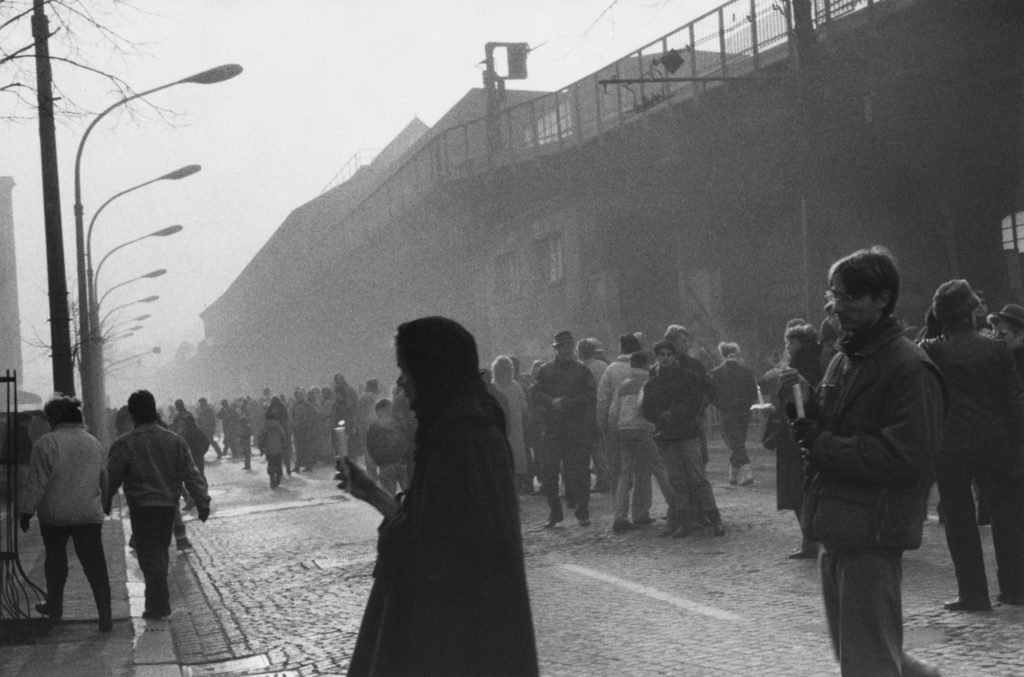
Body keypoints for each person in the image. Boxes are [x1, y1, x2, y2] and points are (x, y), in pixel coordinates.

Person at [339, 316, 538, 676]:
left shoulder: (464, 440)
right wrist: (371, 492)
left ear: (432, 370)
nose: (401, 383)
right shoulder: (450, 433)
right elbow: (424, 526)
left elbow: (435, 556)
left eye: (406, 369)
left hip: (455, 642)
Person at [781, 246, 944, 676]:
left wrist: (820, 442)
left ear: (882, 299)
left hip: (871, 535)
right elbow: (832, 426)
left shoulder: (909, 367)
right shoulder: (844, 358)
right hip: (837, 530)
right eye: (834, 294)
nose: (837, 305)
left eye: (850, 296)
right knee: (864, 655)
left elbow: (904, 456)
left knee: (868, 663)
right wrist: (802, 410)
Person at [919, 280, 1024, 610]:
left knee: (960, 519)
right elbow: (1014, 401)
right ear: (970, 312)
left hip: (950, 445)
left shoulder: (931, 349)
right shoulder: (996, 349)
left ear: (940, 315)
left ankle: (973, 594)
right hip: (995, 441)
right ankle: (1015, 589)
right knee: (1006, 517)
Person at [106, 390, 210, 620]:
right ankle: (156, 602)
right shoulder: (174, 440)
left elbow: (112, 478)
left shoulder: (124, 444)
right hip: (166, 507)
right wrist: (201, 501)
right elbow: (190, 473)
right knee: (159, 551)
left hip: (142, 508)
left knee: (150, 555)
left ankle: (158, 603)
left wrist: (105, 501)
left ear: (132, 414)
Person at [19, 396, 112, 632]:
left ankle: (55, 606)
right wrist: (105, 502)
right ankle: (105, 613)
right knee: (95, 565)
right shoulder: (93, 443)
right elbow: (104, 477)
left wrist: (26, 512)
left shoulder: (46, 443)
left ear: (54, 419)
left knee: (56, 562)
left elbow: (37, 482)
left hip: (55, 515)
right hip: (88, 514)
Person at [643, 340, 725, 537]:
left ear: (674, 357)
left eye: (668, 354)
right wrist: (661, 416)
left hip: (688, 433)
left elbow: (696, 401)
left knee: (698, 478)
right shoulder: (652, 383)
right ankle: (684, 522)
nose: (665, 358)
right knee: (677, 480)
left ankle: (715, 519)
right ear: (657, 358)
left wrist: (676, 413)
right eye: (661, 355)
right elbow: (647, 409)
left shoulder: (688, 377)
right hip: (668, 436)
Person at [764, 321, 825, 560]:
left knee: (799, 489)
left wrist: (777, 411)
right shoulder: (820, 363)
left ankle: (809, 539)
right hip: (810, 432)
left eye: (792, 342)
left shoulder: (797, 369)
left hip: (797, 435)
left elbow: (794, 403)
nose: (788, 346)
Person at [531, 330, 598, 528]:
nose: (567, 350)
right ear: (557, 349)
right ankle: (554, 511)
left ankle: (582, 510)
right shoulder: (545, 370)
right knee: (550, 473)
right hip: (553, 428)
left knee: (580, 472)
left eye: (570, 346)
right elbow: (535, 391)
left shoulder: (582, 370)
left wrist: (566, 402)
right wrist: (551, 401)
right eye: (564, 346)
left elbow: (590, 395)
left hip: (576, 427)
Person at [608, 350, 674, 532]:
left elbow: (613, 412)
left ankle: (620, 517)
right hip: (643, 429)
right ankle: (673, 506)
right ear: (646, 364)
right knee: (657, 467)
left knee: (625, 474)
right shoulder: (649, 381)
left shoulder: (623, 385)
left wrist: (615, 432)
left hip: (624, 431)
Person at [710, 341, 758, 486]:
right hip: (743, 412)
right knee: (738, 441)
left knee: (734, 442)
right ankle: (734, 471)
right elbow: (753, 392)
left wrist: (721, 405)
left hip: (727, 411)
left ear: (722, 355)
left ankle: (746, 470)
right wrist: (747, 405)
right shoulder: (746, 370)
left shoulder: (717, 372)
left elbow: (713, 394)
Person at [491, 355, 530, 493]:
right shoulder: (516, 387)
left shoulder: (492, 388)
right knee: (516, 463)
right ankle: (515, 494)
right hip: (515, 431)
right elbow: (524, 408)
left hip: (499, 431)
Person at [577, 338, 610, 492]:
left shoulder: (581, 368)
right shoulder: (603, 366)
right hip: (606, 408)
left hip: (588, 412)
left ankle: (602, 480)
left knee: (594, 449)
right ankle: (607, 478)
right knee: (604, 447)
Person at [365, 398, 410, 495]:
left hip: (385, 465)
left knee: (389, 497)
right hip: (402, 462)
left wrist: (378, 460)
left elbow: (370, 447)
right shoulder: (399, 423)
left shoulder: (373, 427)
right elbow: (407, 440)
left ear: (378, 411)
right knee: (410, 493)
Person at [258, 408, 290, 489]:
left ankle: (272, 480)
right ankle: (278, 479)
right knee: (278, 464)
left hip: (269, 449)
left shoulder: (264, 427)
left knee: (271, 464)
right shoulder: (278, 426)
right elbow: (283, 436)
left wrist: (261, 448)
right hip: (278, 448)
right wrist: (284, 445)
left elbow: (261, 438)